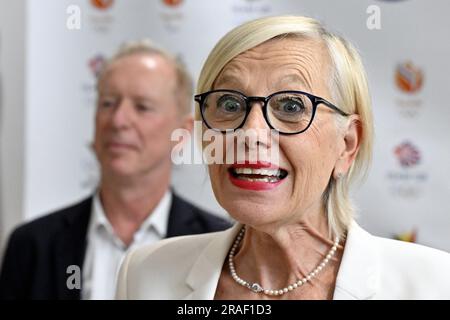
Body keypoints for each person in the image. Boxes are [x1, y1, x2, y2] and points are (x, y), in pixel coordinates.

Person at [115, 16, 450, 300]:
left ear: (347, 144)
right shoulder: (146, 275)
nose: (251, 132)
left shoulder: (433, 285)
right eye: (230, 105)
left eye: (291, 106)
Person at [0, 40, 230, 300]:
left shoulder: (221, 246)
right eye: (108, 103)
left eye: (142, 107)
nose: (119, 120)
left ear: (183, 132)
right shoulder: (33, 244)